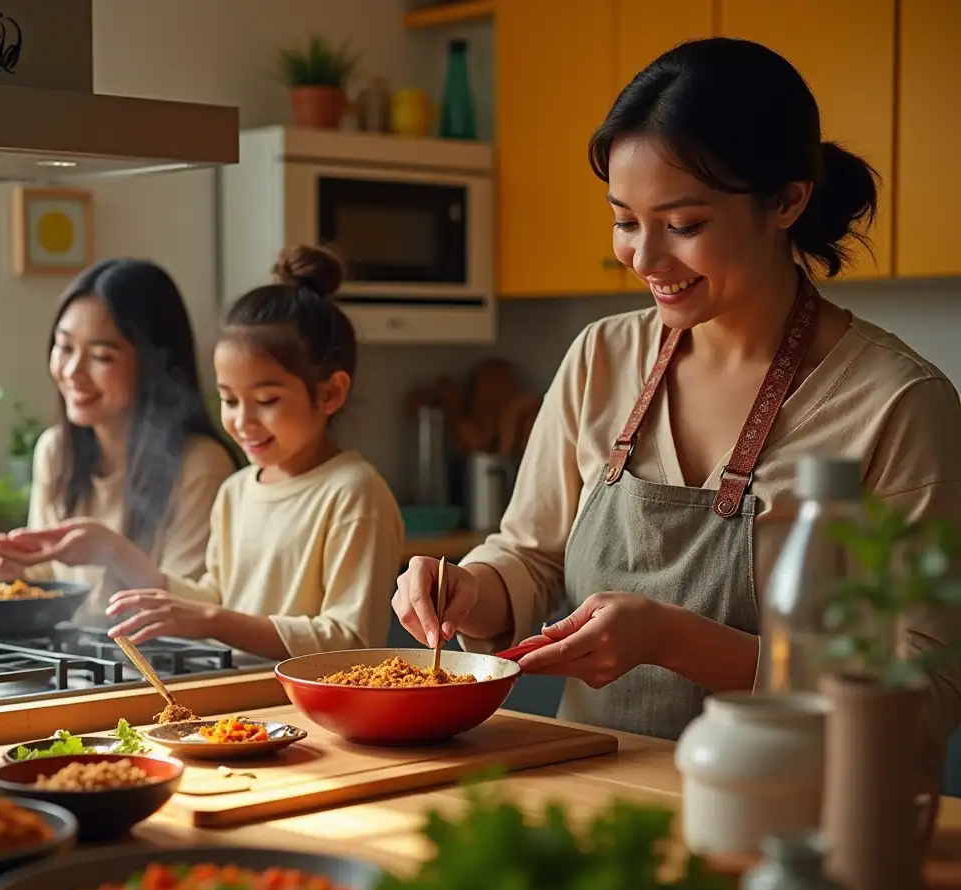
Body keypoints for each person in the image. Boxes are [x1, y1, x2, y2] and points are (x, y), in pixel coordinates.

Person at [392, 38, 961, 777]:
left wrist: (677, 642)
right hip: (596, 808)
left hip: (800, 834)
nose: (645, 259)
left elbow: (922, 694)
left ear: (788, 201)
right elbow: (531, 553)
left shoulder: (897, 406)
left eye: (684, 225)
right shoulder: (602, 356)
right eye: (626, 220)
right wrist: (471, 589)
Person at [80, 245, 405, 660]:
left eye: (266, 400)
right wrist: (117, 552)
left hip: (306, 715)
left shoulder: (354, 493)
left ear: (330, 393)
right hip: (238, 707)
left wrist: (213, 619)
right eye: (229, 400)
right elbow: (215, 596)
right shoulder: (236, 490)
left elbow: (349, 640)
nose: (242, 422)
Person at [0, 258, 237, 625]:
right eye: (64, 348)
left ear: (154, 365)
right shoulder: (55, 451)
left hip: (154, 670)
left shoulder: (199, 465)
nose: (72, 372)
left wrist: (111, 550)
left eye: (101, 356)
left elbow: (195, 611)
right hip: (76, 663)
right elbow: (50, 585)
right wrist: (13, 573)